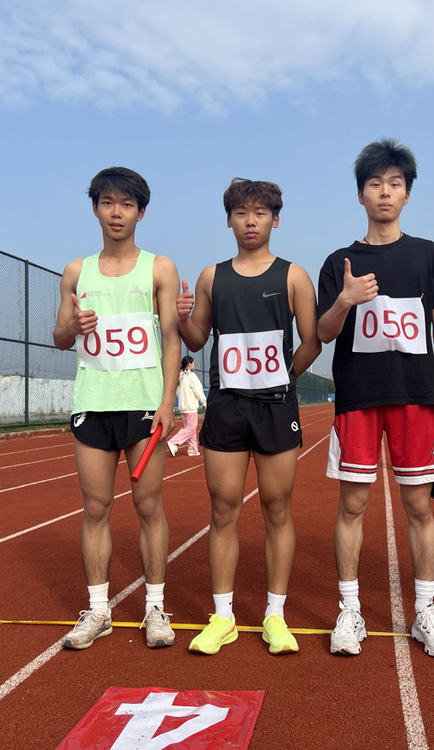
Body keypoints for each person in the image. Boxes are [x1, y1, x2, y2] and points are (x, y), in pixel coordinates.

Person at [318, 139, 434, 658]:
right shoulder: (340, 262)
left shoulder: (429, 255)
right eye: (375, 183)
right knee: (352, 504)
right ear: (360, 193)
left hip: (416, 398)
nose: (385, 192)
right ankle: (350, 610)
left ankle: (425, 609)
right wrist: (344, 299)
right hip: (358, 397)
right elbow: (324, 332)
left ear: (407, 194)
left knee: (419, 505)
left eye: (395, 184)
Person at [177, 178, 320, 655]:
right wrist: (180, 317)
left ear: (275, 219)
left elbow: (313, 341)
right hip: (227, 404)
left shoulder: (294, 276)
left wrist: (285, 376)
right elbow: (196, 338)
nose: (250, 221)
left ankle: (275, 615)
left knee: (277, 507)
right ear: (229, 220)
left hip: (276, 405)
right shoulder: (211, 277)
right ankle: (223, 617)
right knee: (223, 509)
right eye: (241, 213)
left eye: (260, 213)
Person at [53, 167, 180, 650]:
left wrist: (167, 401)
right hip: (94, 404)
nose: (116, 212)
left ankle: (155, 607)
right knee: (95, 507)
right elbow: (59, 337)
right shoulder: (76, 271)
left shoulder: (159, 268)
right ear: (95, 208)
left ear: (141, 212)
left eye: (126, 204)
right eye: (107, 203)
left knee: (149, 506)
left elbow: (172, 340)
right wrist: (74, 327)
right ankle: (99, 609)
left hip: (144, 406)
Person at [167, 355, 207, 456]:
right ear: (189, 364)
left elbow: (177, 392)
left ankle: (192, 449)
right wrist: (204, 402)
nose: (194, 365)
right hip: (190, 407)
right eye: (193, 363)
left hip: (183, 407)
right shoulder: (192, 376)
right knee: (191, 428)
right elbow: (198, 390)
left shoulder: (180, 377)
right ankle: (173, 442)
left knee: (190, 428)